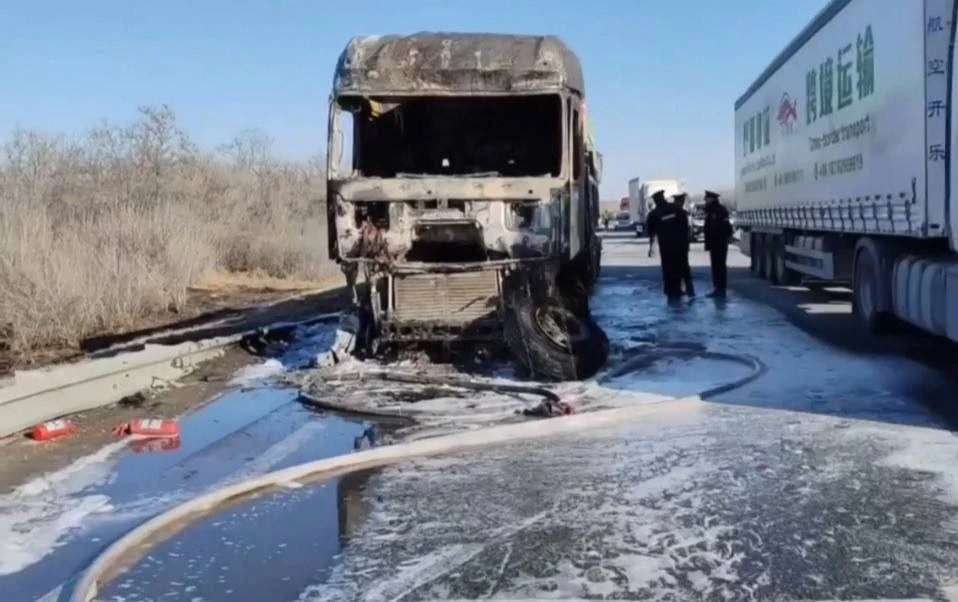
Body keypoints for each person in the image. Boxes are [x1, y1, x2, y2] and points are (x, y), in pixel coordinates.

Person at [646, 190, 685, 302]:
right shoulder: (675, 208)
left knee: (667, 267)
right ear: (664, 198)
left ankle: (669, 289)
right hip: (678, 243)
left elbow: (650, 231)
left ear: (656, 201)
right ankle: (678, 289)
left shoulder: (654, 213)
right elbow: (684, 223)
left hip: (665, 244)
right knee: (678, 266)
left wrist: (652, 245)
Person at [702, 190, 733, 298]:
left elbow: (726, 227)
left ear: (712, 199)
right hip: (715, 243)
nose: (705, 200)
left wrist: (723, 238)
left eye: (706, 198)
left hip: (719, 242)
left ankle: (720, 289)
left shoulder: (719, 211)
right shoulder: (711, 211)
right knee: (716, 266)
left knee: (719, 266)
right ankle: (718, 288)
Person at [671, 192, 695, 298]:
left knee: (677, 268)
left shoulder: (673, 213)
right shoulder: (684, 214)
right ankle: (689, 290)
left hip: (675, 245)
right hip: (682, 245)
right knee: (684, 269)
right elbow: (688, 231)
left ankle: (678, 290)